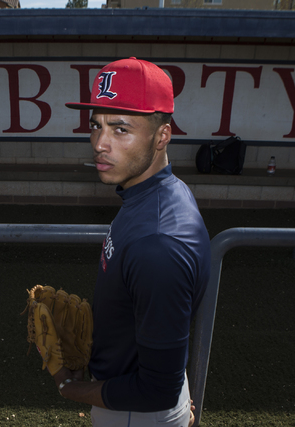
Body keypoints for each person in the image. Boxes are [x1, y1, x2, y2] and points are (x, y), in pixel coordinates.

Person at [58, 57, 211, 427]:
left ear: (162, 136)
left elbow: (156, 390)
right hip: (141, 388)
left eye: (121, 129)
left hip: (135, 411)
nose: (99, 143)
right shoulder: (155, 192)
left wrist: (69, 389)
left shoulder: (158, 244)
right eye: (96, 125)